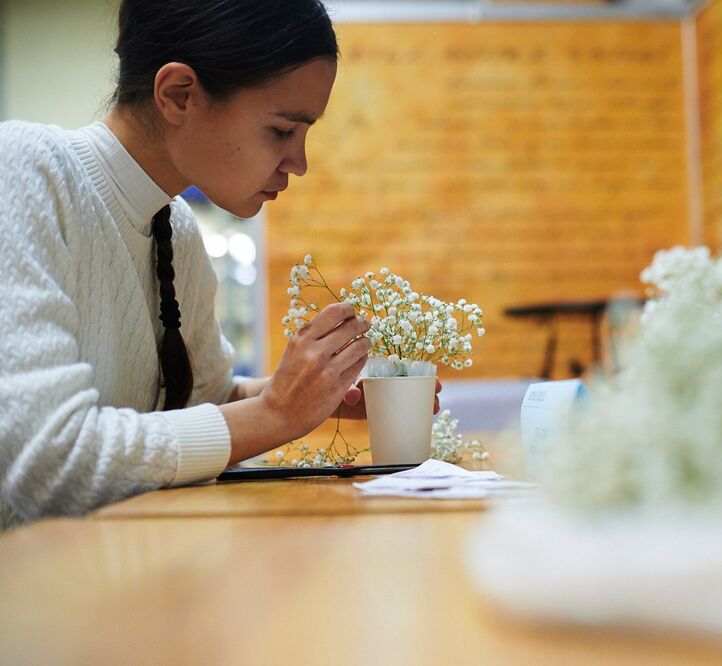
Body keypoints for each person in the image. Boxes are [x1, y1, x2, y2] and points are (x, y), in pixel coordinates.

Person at [0, 0, 439, 530]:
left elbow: (205, 403)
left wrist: (311, 393)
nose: (298, 163)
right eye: (282, 130)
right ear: (179, 95)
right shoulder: (24, 170)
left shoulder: (176, 228)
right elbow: (48, 460)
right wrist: (274, 414)